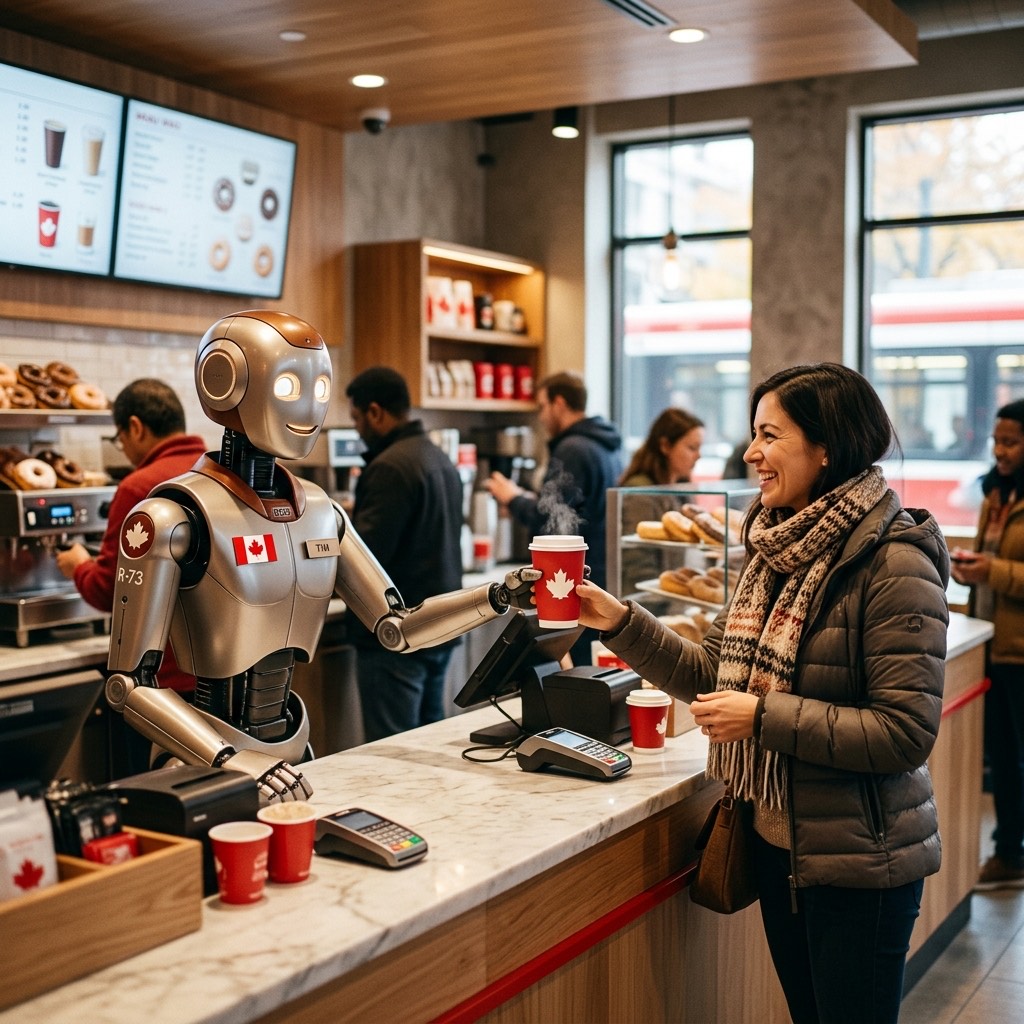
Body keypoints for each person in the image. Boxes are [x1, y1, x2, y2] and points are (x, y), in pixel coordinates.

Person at [574, 362, 949, 1024]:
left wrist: (763, 716)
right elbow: (709, 671)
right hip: (782, 851)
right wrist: (621, 623)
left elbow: (904, 732)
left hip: (862, 867)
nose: (751, 452)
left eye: (770, 435)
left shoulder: (895, 559)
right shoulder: (774, 552)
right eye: (754, 434)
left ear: (827, 447)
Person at [56, 379, 207, 774]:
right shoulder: (221, 475)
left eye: (120, 437)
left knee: (153, 806)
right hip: (221, 678)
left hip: (159, 686)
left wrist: (77, 566)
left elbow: (109, 590)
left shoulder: (141, 486)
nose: (123, 447)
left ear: (136, 427)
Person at [345, 366, 466, 741]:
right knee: (428, 745)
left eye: (357, 418)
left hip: (399, 633)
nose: (357, 429)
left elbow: (367, 556)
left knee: (392, 749)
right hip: (441, 621)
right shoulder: (437, 457)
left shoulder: (389, 468)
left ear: (376, 412)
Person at [485, 370, 622, 666]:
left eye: (542, 407)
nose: (541, 417)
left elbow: (549, 522)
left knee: (574, 671)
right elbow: (570, 511)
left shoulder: (572, 448)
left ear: (559, 403)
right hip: (597, 573)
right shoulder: (605, 446)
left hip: (571, 580)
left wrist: (513, 498)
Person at [950, 398, 1024, 889]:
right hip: (991, 646)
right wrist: (970, 569)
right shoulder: (995, 495)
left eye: (1011, 442)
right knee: (1001, 755)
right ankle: (1009, 853)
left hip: (1020, 652)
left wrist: (991, 571)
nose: (999, 450)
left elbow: (1003, 569)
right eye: (996, 440)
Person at [617, 408, 704, 597]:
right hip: (647, 604)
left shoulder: (681, 489)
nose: (698, 456)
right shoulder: (641, 492)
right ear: (665, 446)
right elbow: (639, 565)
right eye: (692, 448)